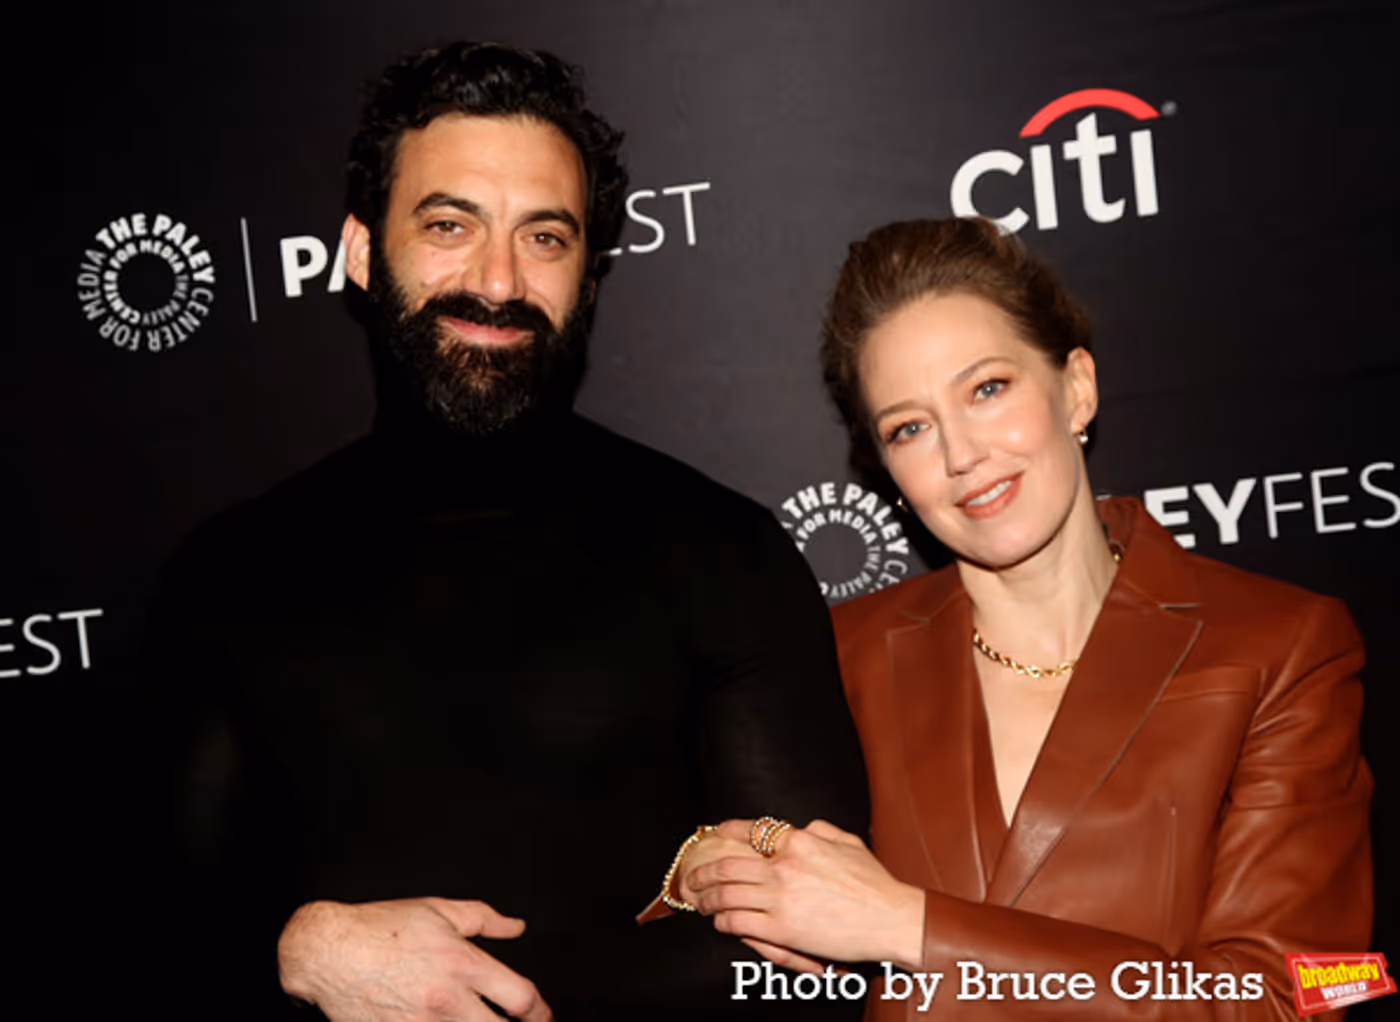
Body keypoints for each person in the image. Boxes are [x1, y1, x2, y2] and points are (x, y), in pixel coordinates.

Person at [148, 42, 867, 1022]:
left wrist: (454, 993)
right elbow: (149, 934)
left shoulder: (719, 552)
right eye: (450, 224)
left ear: (590, 276)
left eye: (544, 237)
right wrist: (300, 945)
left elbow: (804, 967)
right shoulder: (225, 576)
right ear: (362, 250)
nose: (495, 278)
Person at [677, 217, 1373, 1018]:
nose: (959, 452)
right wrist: (710, 866)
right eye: (909, 427)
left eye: (987, 389)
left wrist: (907, 926)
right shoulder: (839, 652)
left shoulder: (1283, 644)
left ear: (1076, 387)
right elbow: (677, 853)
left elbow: (1297, 997)